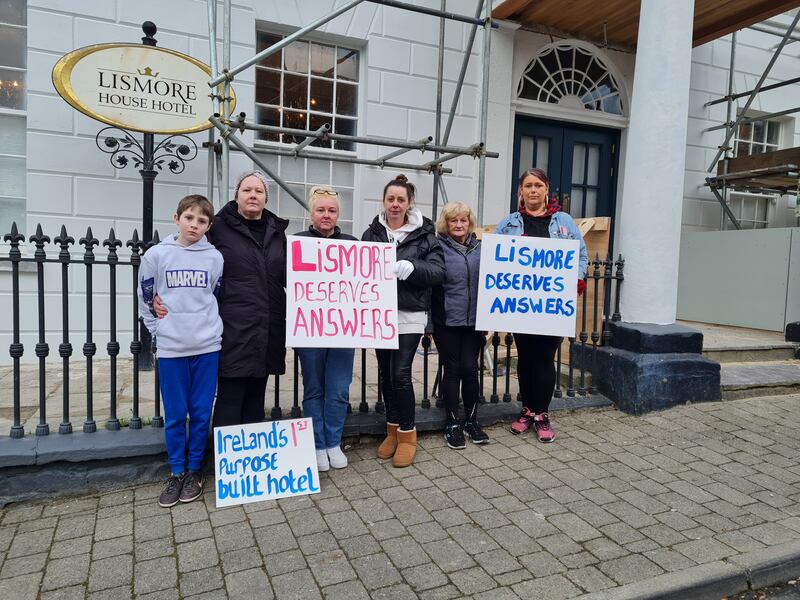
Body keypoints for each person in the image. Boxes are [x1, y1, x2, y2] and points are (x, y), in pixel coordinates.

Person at [154, 170, 289, 427]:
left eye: (259, 191)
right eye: (247, 190)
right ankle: (223, 460)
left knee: (256, 397)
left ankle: (250, 458)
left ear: (266, 198)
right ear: (236, 194)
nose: (253, 195)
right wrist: (160, 291)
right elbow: (184, 251)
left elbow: (287, 274)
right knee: (231, 395)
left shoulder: (275, 230)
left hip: (268, 327)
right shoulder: (218, 227)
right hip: (233, 326)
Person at [138, 195, 223, 507]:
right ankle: (175, 472)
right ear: (176, 218)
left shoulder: (215, 258)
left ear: (208, 226)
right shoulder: (157, 255)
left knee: (201, 412)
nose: (194, 225)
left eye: (201, 221)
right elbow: (145, 296)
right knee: (175, 414)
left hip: (207, 347)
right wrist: (159, 330)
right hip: (173, 349)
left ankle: (194, 471)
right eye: (189, 217)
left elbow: (214, 293)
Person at [495, 168, 588, 443]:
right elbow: (496, 259)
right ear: (520, 191)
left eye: (538, 185)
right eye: (528, 186)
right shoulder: (508, 224)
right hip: (521, 305)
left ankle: (542, 413)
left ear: (547, 189)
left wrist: (578, 279)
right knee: (525, 357)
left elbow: (580, 254)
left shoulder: (565, 222)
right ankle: (526, 410)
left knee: (545, 358)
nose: (533, 190)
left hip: (551, 306)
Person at [362, 174, 445, 467]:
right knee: (385, 372)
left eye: (401, 200)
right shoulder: (372, 232)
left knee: (400, 373)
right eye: (390, 199)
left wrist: (413, 267)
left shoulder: (425, 235)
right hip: (379, 313)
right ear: (384, 202)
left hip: (410, 313)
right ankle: (392, 429)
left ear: (409, 203)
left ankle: (408, 434)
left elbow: (438, 272)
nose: (395, 204)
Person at [294, 186, 357, 472]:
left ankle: (333, 441)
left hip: (343, 330)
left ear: (338, 213)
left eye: (332, 210)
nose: (326, 215)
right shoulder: (297, 242)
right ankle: (317, 444)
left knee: (339, 388)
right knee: (314, 388)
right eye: (321, 210)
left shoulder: (353, 243)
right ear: (312, 212)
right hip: (310, 328)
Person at [432, 202, 490, 449]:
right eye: (453, 220)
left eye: (463, 220)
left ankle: (472, 420)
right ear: (445, 223)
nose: (458, 225)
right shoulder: (436, 247)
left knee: (471, 368)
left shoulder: (481, 248)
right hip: (447, 320)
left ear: (470, 223)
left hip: (474, 319)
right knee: (453, 369)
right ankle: (452, 422)